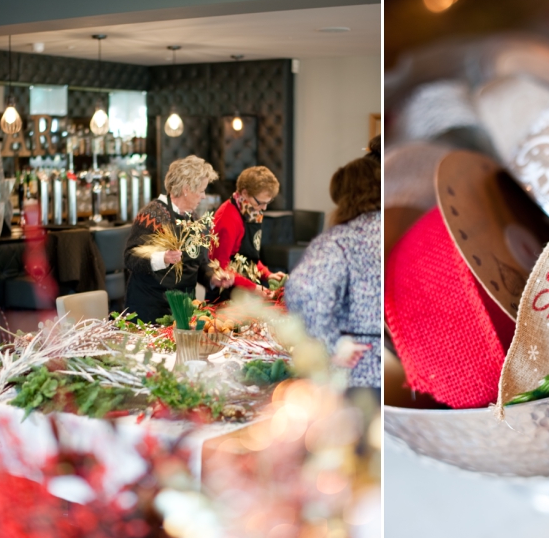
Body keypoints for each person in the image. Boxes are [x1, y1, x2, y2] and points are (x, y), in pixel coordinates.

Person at [285, 155, 381, 390]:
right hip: (399, 362)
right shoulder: (397, 228)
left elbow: (303, 289)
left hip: (359, 368)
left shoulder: (342, 240)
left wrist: (329, 344)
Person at [124, 155, 232, 322]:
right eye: (201, 190)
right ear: (186, 189)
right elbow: (130, 257)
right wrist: (163, 258)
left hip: (183, 310)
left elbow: (200, 263)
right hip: (150, 310)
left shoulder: (194, 219)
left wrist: (213, 277)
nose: (203, 196)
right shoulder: (152, 215)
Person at [209, 166, 285, 300]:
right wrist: (254, 288)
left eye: (268, 203)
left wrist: (267, 274)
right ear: (244, 193)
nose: (264, 208)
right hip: (226, 295)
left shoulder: (250, 212)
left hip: (247, 290)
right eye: (261, 203)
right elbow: (220, 268)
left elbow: (249, 256)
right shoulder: (227, 218)